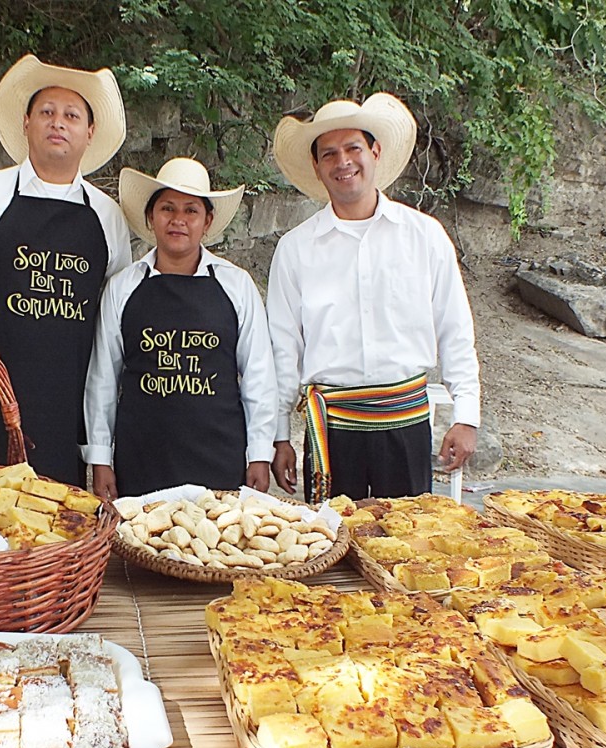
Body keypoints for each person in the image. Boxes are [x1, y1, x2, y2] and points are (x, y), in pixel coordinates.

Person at [0, 55, 132, 485]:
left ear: (89, 132)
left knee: (53, 525)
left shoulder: (108, 216)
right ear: (26, 123)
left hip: (61, 402)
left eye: (71, 115)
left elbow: (112, 311)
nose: (58, 123)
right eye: (47, 112)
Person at [266, 94, 481, 503]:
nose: (342, 162)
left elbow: (455, 330)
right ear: (316, 166)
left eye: (353, 148)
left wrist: (466, 416)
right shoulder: (295, 249)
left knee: (406, 550)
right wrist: (279, 436)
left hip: (406, 427)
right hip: (331, 432)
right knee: (328, 547)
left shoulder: (424, 235)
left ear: (375, 151)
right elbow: (283, 351)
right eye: (328, 153)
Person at [83, 158, 278, 499]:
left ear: (207, 221)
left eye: (191, 211)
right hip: (141, 455)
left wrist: (260, 453)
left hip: (219, 453)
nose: (178, 220)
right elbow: (103, 379)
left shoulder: (236, 285)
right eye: (167, 208)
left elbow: (259, 376)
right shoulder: (123, 288)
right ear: (150, 217)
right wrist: (100, 459)